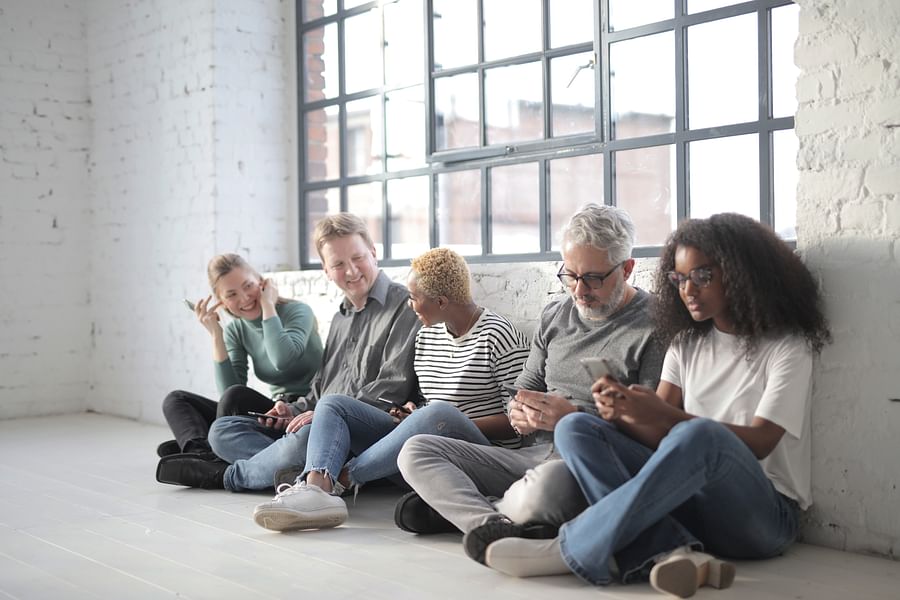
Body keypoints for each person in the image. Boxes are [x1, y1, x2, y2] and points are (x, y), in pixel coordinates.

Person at [478, 213, 831, 599]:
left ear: (741, 273)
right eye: (679, 279)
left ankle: (573, 547)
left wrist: (665, 416)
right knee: (576, 427)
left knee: (700, 433)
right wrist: (625, 413)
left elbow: (761, 441)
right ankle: (668, 552)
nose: (687, 290)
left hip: (761, 517)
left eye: (702, 276)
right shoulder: (686, 342)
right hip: (689, 508)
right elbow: (657, 438)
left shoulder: (786, 346)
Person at [395, 204, 664, 554]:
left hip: (588, 466)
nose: (579, 291)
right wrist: (518, 414)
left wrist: (574, 419)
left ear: (627, 269)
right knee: (415, 450)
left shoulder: (654, 326)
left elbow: (656, 433)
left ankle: (462, 513)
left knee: (547, 488)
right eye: (570, 275)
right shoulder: (556, 315)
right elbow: (521, 391)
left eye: (594, 279)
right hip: (533, 456)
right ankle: (497, 526)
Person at [252, 247, 531, 531]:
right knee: (334, 404)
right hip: (421, 452)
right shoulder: (427, 336)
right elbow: (429, 403)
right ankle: (315, 490)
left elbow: (517, 424)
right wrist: (413, 414)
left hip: (477, 456)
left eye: (413, 298)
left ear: (442, 301)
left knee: (437, 414)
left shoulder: (499, 336)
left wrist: (440, 422)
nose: (410, 305)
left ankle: (340, 481)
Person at [156, 213, 421, 491]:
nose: (352, 271)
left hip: (364, 429)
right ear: (326, 270)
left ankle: (227, 475)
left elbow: (391, 389)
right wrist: (293, 409)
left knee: (306, 438)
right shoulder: (341, 318)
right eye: (339, 264)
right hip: (318, 422)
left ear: (374, 253)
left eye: (358, 258)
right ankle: (305, 469)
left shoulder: (403, 305)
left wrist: (320, 416)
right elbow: (320, 389)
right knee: (223, 431)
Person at [156, 253, 323, 461]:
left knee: (235, 397)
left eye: (248, 286)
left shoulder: (297, 311)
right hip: (275, 412)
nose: (244, 298)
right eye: (232, 294)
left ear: (262, 283)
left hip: (307, 410)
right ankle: (201, 453)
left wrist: (268, 306)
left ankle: (203, 452)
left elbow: (282, 359)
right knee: (176, 400)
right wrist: (217, 334)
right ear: (222, 302)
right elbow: (228, 391)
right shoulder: (236, 330)